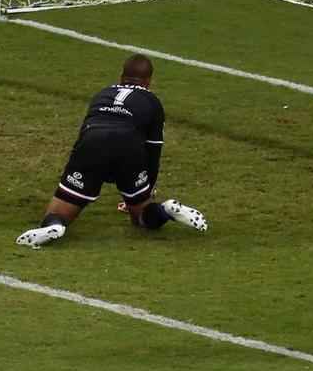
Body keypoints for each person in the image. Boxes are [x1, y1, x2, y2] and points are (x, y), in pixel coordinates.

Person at [16, 54, 207, 247]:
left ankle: (55, 226)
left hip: (93, 141)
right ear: (149, 80)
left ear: (121, 76)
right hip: (129, 146)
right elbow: (153, 151)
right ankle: (165, 210)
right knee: (141, 217)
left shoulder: (102, 93)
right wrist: (146, 191)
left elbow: (84, 132)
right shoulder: (152, 102)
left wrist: (77, 168)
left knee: (57, 212)